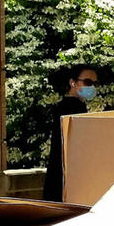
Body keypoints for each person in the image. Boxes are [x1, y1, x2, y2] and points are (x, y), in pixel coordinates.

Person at [43, 65, 99, 202]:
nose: (92, 87)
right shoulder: (72, 106)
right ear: (72, 82)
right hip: (67, 177)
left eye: (95, 83)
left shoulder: (66, 105)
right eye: (88, 82)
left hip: (61, 175)